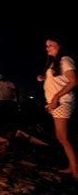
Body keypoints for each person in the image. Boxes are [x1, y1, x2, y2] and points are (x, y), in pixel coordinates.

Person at [38, 38, 77, 179]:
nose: (47, 48)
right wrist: (44, 78)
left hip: (62, 102)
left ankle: (75, 171)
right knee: (62, 137)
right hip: (56, 102)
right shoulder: (55, 62)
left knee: (63, 137)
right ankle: (71, 167)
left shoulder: (65, 60)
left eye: (51, 45)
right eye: (46, 46)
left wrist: (55, 98)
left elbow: (73, 81)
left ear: (60, 45)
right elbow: (60, 79)